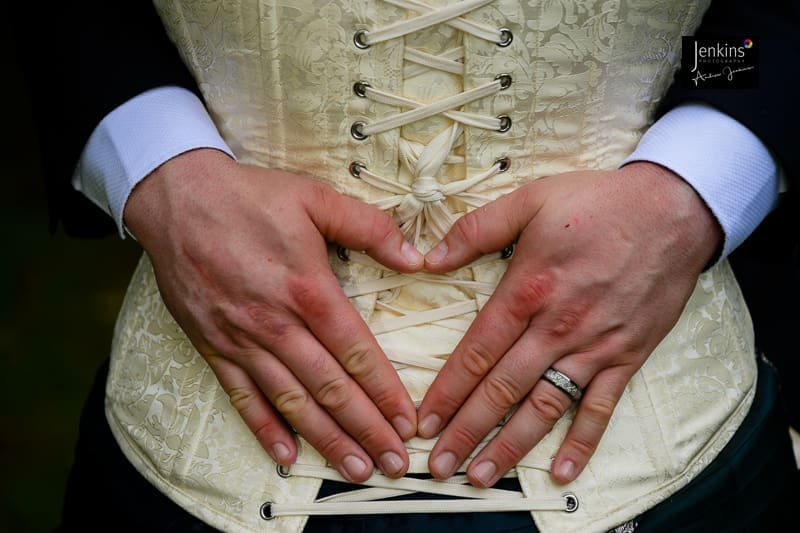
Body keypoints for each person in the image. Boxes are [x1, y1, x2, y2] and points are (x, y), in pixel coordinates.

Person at [13, 0, 799, 531]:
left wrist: (693, 183)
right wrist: (159, 168)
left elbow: (757, 21)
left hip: (673, 469)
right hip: (188, 470)